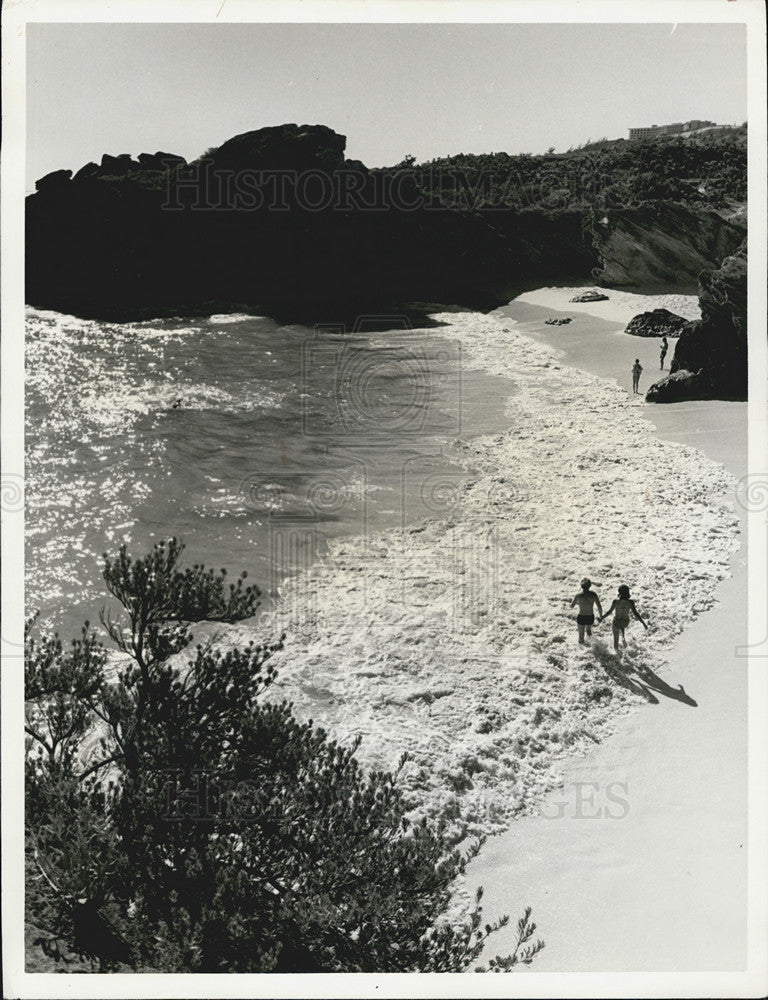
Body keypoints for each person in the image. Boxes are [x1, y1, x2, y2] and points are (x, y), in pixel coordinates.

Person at [600, 584, 648, 651]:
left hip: (617, 622)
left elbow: (609, 612)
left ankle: (616, 649)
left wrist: (601, 617)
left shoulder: (616, 602)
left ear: (619, 592)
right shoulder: (630, 602)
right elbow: (636, 614)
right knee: (622, 625)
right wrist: (643, 623)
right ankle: (623, 637)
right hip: (625, 623)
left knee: (616, 639)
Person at [570, 578, 603, 645]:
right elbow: (599, 606)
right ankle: (590, 648)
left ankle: (582, 650)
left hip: (581, 616)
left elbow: (572, 606)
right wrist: (601, 616)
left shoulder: (578, 595)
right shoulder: (593, 594)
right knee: (589, 632)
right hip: (590, 616)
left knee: (581, 636)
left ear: (581, 586)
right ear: (590, 585)